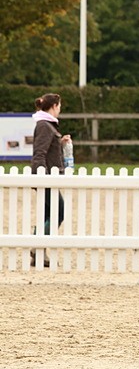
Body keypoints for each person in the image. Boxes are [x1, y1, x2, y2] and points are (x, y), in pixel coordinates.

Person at [30, 93, 70, 267]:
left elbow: (48, 149)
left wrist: (60, 143)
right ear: (54, 106)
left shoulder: (48, 125)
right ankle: (36, 245)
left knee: (48, 214)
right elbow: (40, 153)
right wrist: (41, 177)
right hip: (45, 178)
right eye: (59, 105)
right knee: (59, 212)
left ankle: (38, 250)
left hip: (48, 176)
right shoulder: (45, 125)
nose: (60, 109)